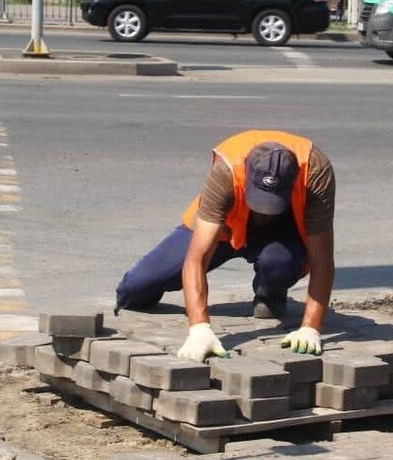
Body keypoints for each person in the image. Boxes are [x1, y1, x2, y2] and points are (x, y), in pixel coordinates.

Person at [115, 130, 337, 362]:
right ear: (247, 174)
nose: (264, 211)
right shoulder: (227, 169)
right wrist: (199, 328)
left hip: (280, 231)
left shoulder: (315, 172)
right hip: (223, 227)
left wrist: (311, 327)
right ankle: (139, 291)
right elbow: (197, 258)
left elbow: (322, 258)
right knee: (137, 287)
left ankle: (270, 293)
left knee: (280, 262)